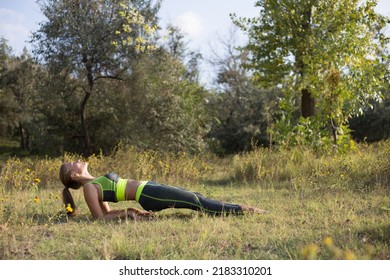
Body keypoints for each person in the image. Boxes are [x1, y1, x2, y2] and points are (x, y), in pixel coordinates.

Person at [59, 160, 267, 220]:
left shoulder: (94, 183)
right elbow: (101, 217)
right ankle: (244, 210)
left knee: (197, 198)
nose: (76, 160)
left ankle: (240, 209)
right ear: (74, 176)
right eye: (72, 164)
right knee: (197, 202)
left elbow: (106, 212)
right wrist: (131, 212)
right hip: (147, 194)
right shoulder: (89, 190)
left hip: (149, 188)